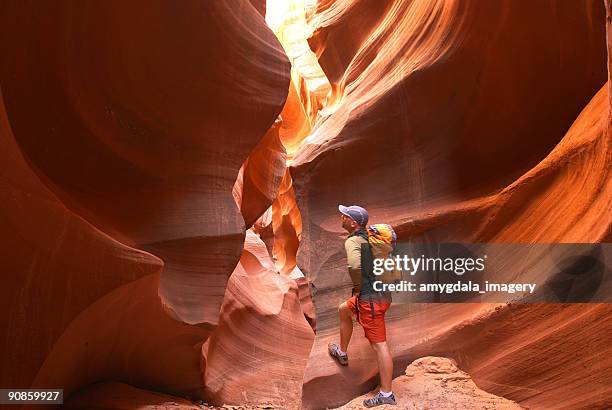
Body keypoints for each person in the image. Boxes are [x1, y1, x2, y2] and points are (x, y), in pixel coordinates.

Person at [328, 205, 396, 407]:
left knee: (379, 345)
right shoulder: (371, 237)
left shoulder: (354, 240)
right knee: (343, 309)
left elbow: (355, 266)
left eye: (345, 215)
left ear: (353, 222)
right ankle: (342, 352)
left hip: (370, 299)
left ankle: (386, 394)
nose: (341, 216)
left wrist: (360, 287)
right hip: (380, 294)